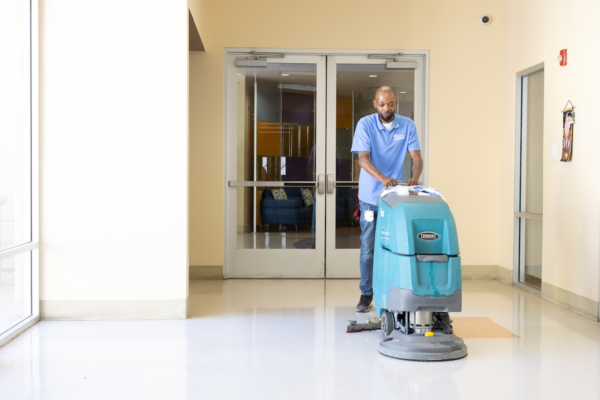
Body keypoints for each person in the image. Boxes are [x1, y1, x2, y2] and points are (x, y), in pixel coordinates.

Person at [350, 86, 423, 312]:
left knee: (395, 244)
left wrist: (415, 176)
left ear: (395, 104)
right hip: (371, 197)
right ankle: (366, 294)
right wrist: (383, 178)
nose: (386, 108)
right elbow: (362, 159)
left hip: (395, 197)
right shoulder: (365, 124)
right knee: (368, 247)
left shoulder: (407, 125)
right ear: (375, 104)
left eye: (390, 104)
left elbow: (417, 158)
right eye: (382, 104)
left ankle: (394, 291)